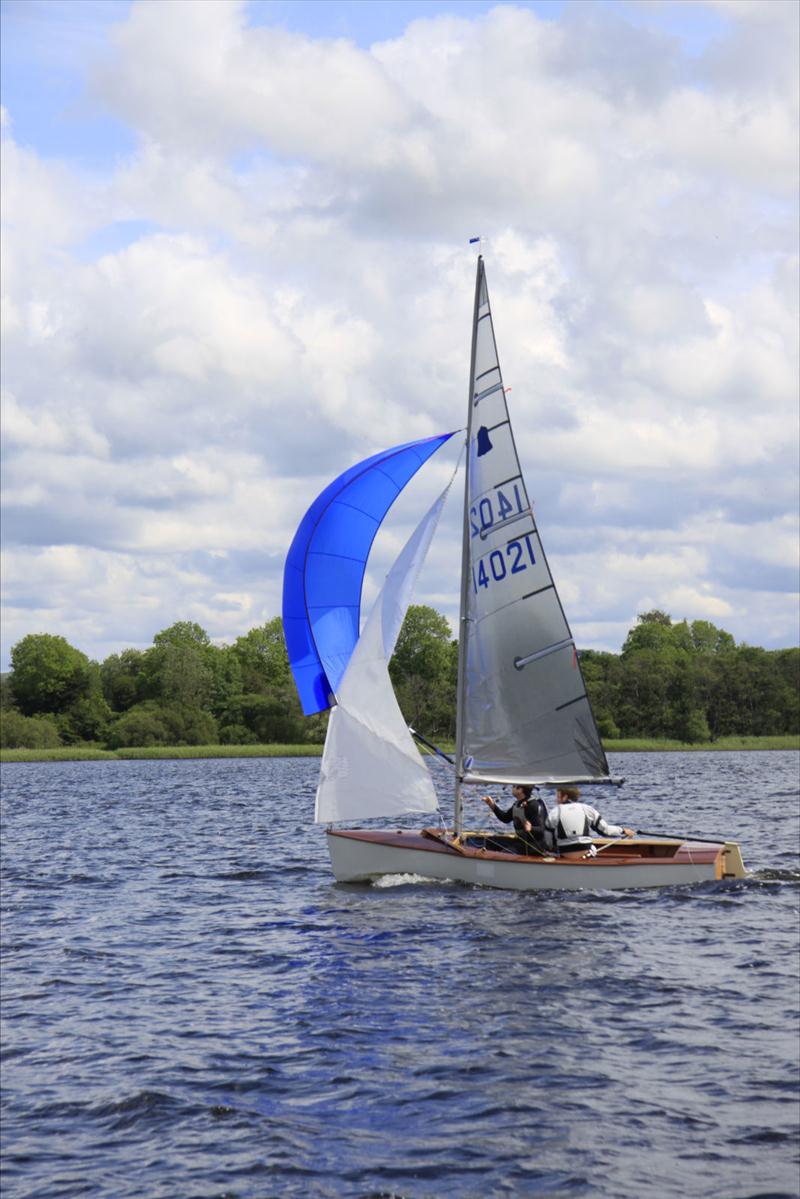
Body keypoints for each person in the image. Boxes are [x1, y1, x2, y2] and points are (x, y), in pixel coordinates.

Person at [544, 787, 634, 851]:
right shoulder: (587, 809)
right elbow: (605, 830)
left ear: (565, 797)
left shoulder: (554, 812)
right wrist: (623, 831)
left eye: (558, 797)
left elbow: (548, 842)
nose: (556, 800)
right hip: (585, 851)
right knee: (593, 848)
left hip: (565, 852)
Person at [482, 784, 555, 855]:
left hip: (533, 846)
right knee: (490, 841)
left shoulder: (533, 805)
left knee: (505, 853)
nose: (512, 788)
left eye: (514, 786)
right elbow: (505, 818)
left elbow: (542, 830)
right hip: (522, 841)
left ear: (520, 790)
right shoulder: (517, 804)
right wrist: (492, 805)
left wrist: (531, 828)